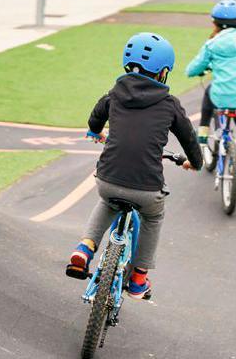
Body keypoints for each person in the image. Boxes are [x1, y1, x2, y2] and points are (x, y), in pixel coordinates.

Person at [66, 32, 203, 299]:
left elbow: (96, 116)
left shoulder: (115, 93)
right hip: (146, 189)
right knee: (153, 217)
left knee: (108, 202)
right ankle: (139, 278)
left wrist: (96, 132)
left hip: (108, 179)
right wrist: (194, 163)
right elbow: (189, 138)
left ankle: (84, 249)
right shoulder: (169, 104)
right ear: (163, 72)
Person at [185, 0, 236, 172]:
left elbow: (192, 69)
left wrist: (200, 70)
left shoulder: (212, 44)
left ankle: (201, 138)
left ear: (214, 22)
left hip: (220, 96)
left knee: (209, 92)